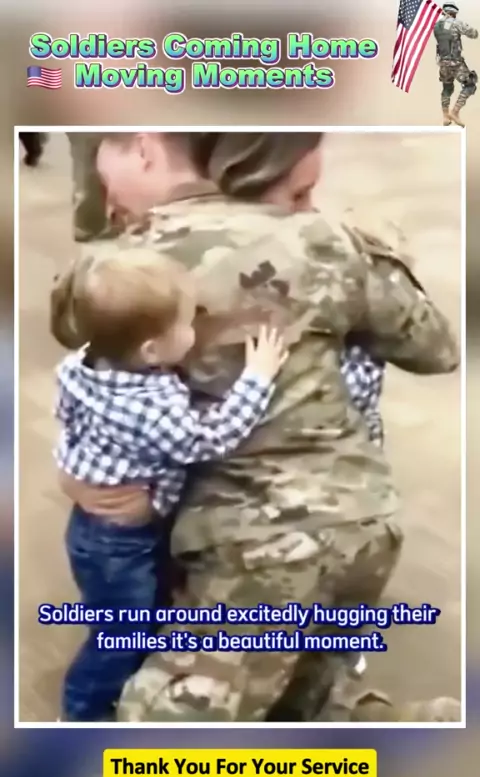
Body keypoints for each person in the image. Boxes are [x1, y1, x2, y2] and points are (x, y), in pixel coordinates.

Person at [52, 132, 460, 723]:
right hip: (364, 517)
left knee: (156, 732)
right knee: (300, 691)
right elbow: (436, 349)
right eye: (301, 189)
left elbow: (75, 334)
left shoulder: (123, 262)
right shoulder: (330, 241)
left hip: (252, 544)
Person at [53, 245, 286, 721]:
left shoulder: (81, 363)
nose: (195, 329)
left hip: (95, 530)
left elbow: (68, 418)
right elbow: (209, 439)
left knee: (132, 615)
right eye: (187, 323)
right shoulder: (152, 408)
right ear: (151, 351)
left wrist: (76, 467)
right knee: (119, 638)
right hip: (119, 544)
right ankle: (81, 717)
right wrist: (257, 379)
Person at [434, 3, 478, 127]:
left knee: (447, 88)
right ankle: (455, 112)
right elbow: (473, 34)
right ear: (453, 13)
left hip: (443, 63)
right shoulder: (456, 23)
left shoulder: (436, 26)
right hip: (456, 63)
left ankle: (445, 116)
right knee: (470, 84)